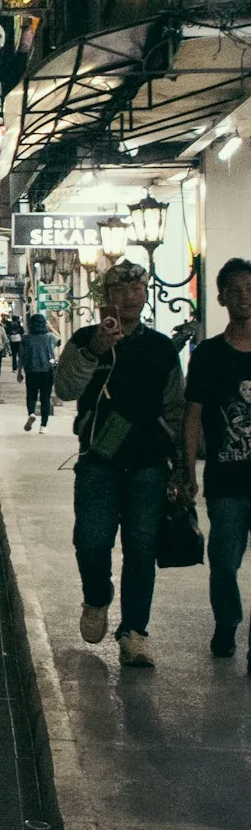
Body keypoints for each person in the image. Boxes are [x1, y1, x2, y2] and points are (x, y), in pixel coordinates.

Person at [55, 261, 186, 667]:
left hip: (148, 463)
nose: (132, 296)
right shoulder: (84, 339)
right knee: (92, 540)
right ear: (107, 296)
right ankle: (97, 596)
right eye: (123, 290)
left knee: (142, 549)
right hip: (98, 460)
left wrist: (181, 464)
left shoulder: (162, 347)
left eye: (139, 289)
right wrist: (95, 350)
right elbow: (64, 388)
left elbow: (176, 406)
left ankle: (134, 631)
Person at [182, 257, 251, 660]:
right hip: (226, 479)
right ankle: (227, 621)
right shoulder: (208, 354)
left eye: (250, 289)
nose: (245, 298)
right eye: (236, 290)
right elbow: (192, 415)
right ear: (222, 297)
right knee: (224, 561)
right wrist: (188, 467)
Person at [23, 313, 57, 432]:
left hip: (31, 370)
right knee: (45, 398)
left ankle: (31, 413)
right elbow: (60, 339)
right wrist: (50, 327)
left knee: (31, 395)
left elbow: (21, 355)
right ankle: (43, 426)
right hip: (46, 371)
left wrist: (19, 372)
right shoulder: (50, 337)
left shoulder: (26, 338)